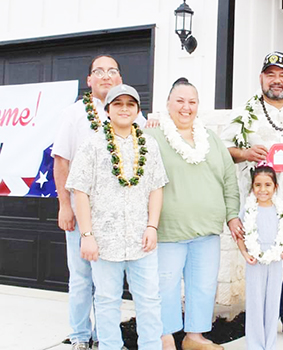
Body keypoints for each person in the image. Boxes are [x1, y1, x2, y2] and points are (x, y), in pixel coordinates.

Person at [221, 51, 283, 343]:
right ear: (261, 78)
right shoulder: (245, 113)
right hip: (262, 206)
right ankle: (261, 318)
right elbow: (224, 150)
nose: (276, 80)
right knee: (262, 261)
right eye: (271, 74)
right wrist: (245, 153)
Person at [52, 55, 148, 350]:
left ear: (120, 79)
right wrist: (64, 206)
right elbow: (61, 161)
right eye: (99, 71)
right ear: (89, 80)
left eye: (112, 71)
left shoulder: (135, 115)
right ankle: (81, 335)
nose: (106, 76)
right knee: (82, 277)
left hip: (119, 217)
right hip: (83, 212)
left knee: (108, 284)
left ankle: (104, 337)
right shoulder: (75, 114)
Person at [66, 84, 167, 349]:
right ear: (108, 110)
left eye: (130, 104)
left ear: (137, 110)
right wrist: (87, 235)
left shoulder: (150, 145)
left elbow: (156, 187)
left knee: (149, 299)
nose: (124, 109)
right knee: (107, 300)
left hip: (141, 238)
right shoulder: (92, 145)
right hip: (104, 240)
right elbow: (80, 191)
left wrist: (152, 226)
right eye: (118, 104)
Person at [145, 78, 241, 350]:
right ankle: (164, 337)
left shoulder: (210, 138)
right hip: (168, 231)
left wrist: (232, 215)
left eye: (192, 102)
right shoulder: (153, 136)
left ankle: (194, 337)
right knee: (165, 286)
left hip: (207, 230)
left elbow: (228, 179)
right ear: (167, 104)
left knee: (203, 285)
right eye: (180, 101)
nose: (186, 107)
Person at [236, 162, 283, 350]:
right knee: (255, 300)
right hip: (255, 259)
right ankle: (255, 343)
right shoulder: (249, 210)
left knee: (273, 299)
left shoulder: (280, 209)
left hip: (275, 259)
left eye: (267, 185)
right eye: (258, 185)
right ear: (252, 187)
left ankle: (269, 342)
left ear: (275, 187)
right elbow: (241, 236)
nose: (263, 189)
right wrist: (245, 253)